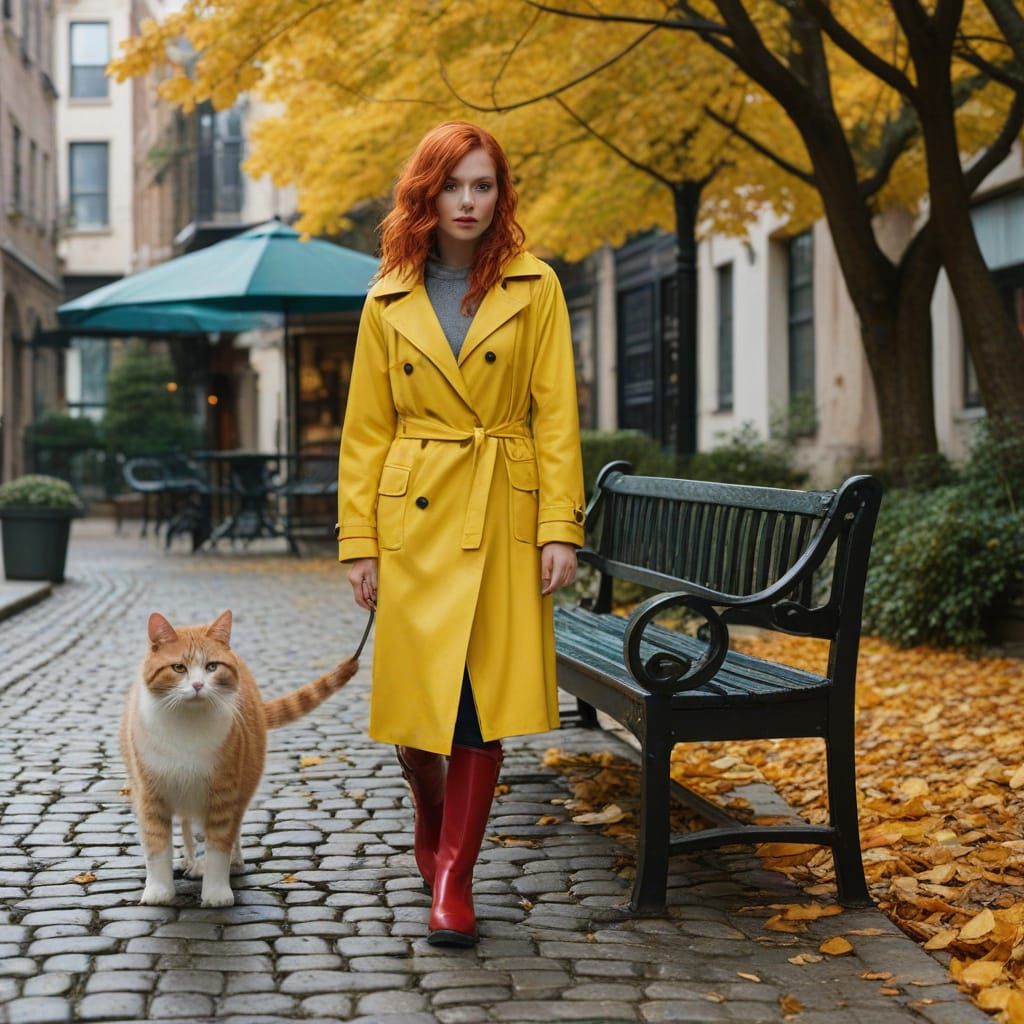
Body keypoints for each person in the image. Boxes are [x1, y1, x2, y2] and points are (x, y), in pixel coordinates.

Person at [336, 120, 585, 946]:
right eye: (452, 186)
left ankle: (453, 877)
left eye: (483, 185)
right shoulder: (386, 295)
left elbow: (557, 416)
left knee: (480, 700)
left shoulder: (535, 285)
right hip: (414, 514)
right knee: (420, 710)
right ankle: (430, 802)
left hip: (503, 506)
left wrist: (559, 527)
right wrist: (359, 543)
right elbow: (365, 431)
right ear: (426, 193)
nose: (468, 201)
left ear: (500, 194)